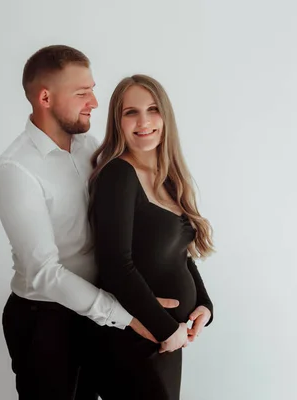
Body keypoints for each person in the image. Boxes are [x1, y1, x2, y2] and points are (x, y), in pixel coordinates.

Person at [0, 46, 178, 400]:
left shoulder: (90, 147)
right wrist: (127, 315)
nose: (94, 101)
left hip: (100, 312)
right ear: (45, 97)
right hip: (45, 321)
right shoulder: (15, 171)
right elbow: (44, 273)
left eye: (92, 89)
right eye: (82, 93)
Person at [86, 74, 216, 399]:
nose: (143, 121)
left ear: (165, 116)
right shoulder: (118, 175)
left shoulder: (169, 178)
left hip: (166, 342)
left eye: (152, 109)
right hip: (136, 342)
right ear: (118, 120)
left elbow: (180, 254)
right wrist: (166, 328)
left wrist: (203, 304)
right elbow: (116, 266)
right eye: (131, 112)